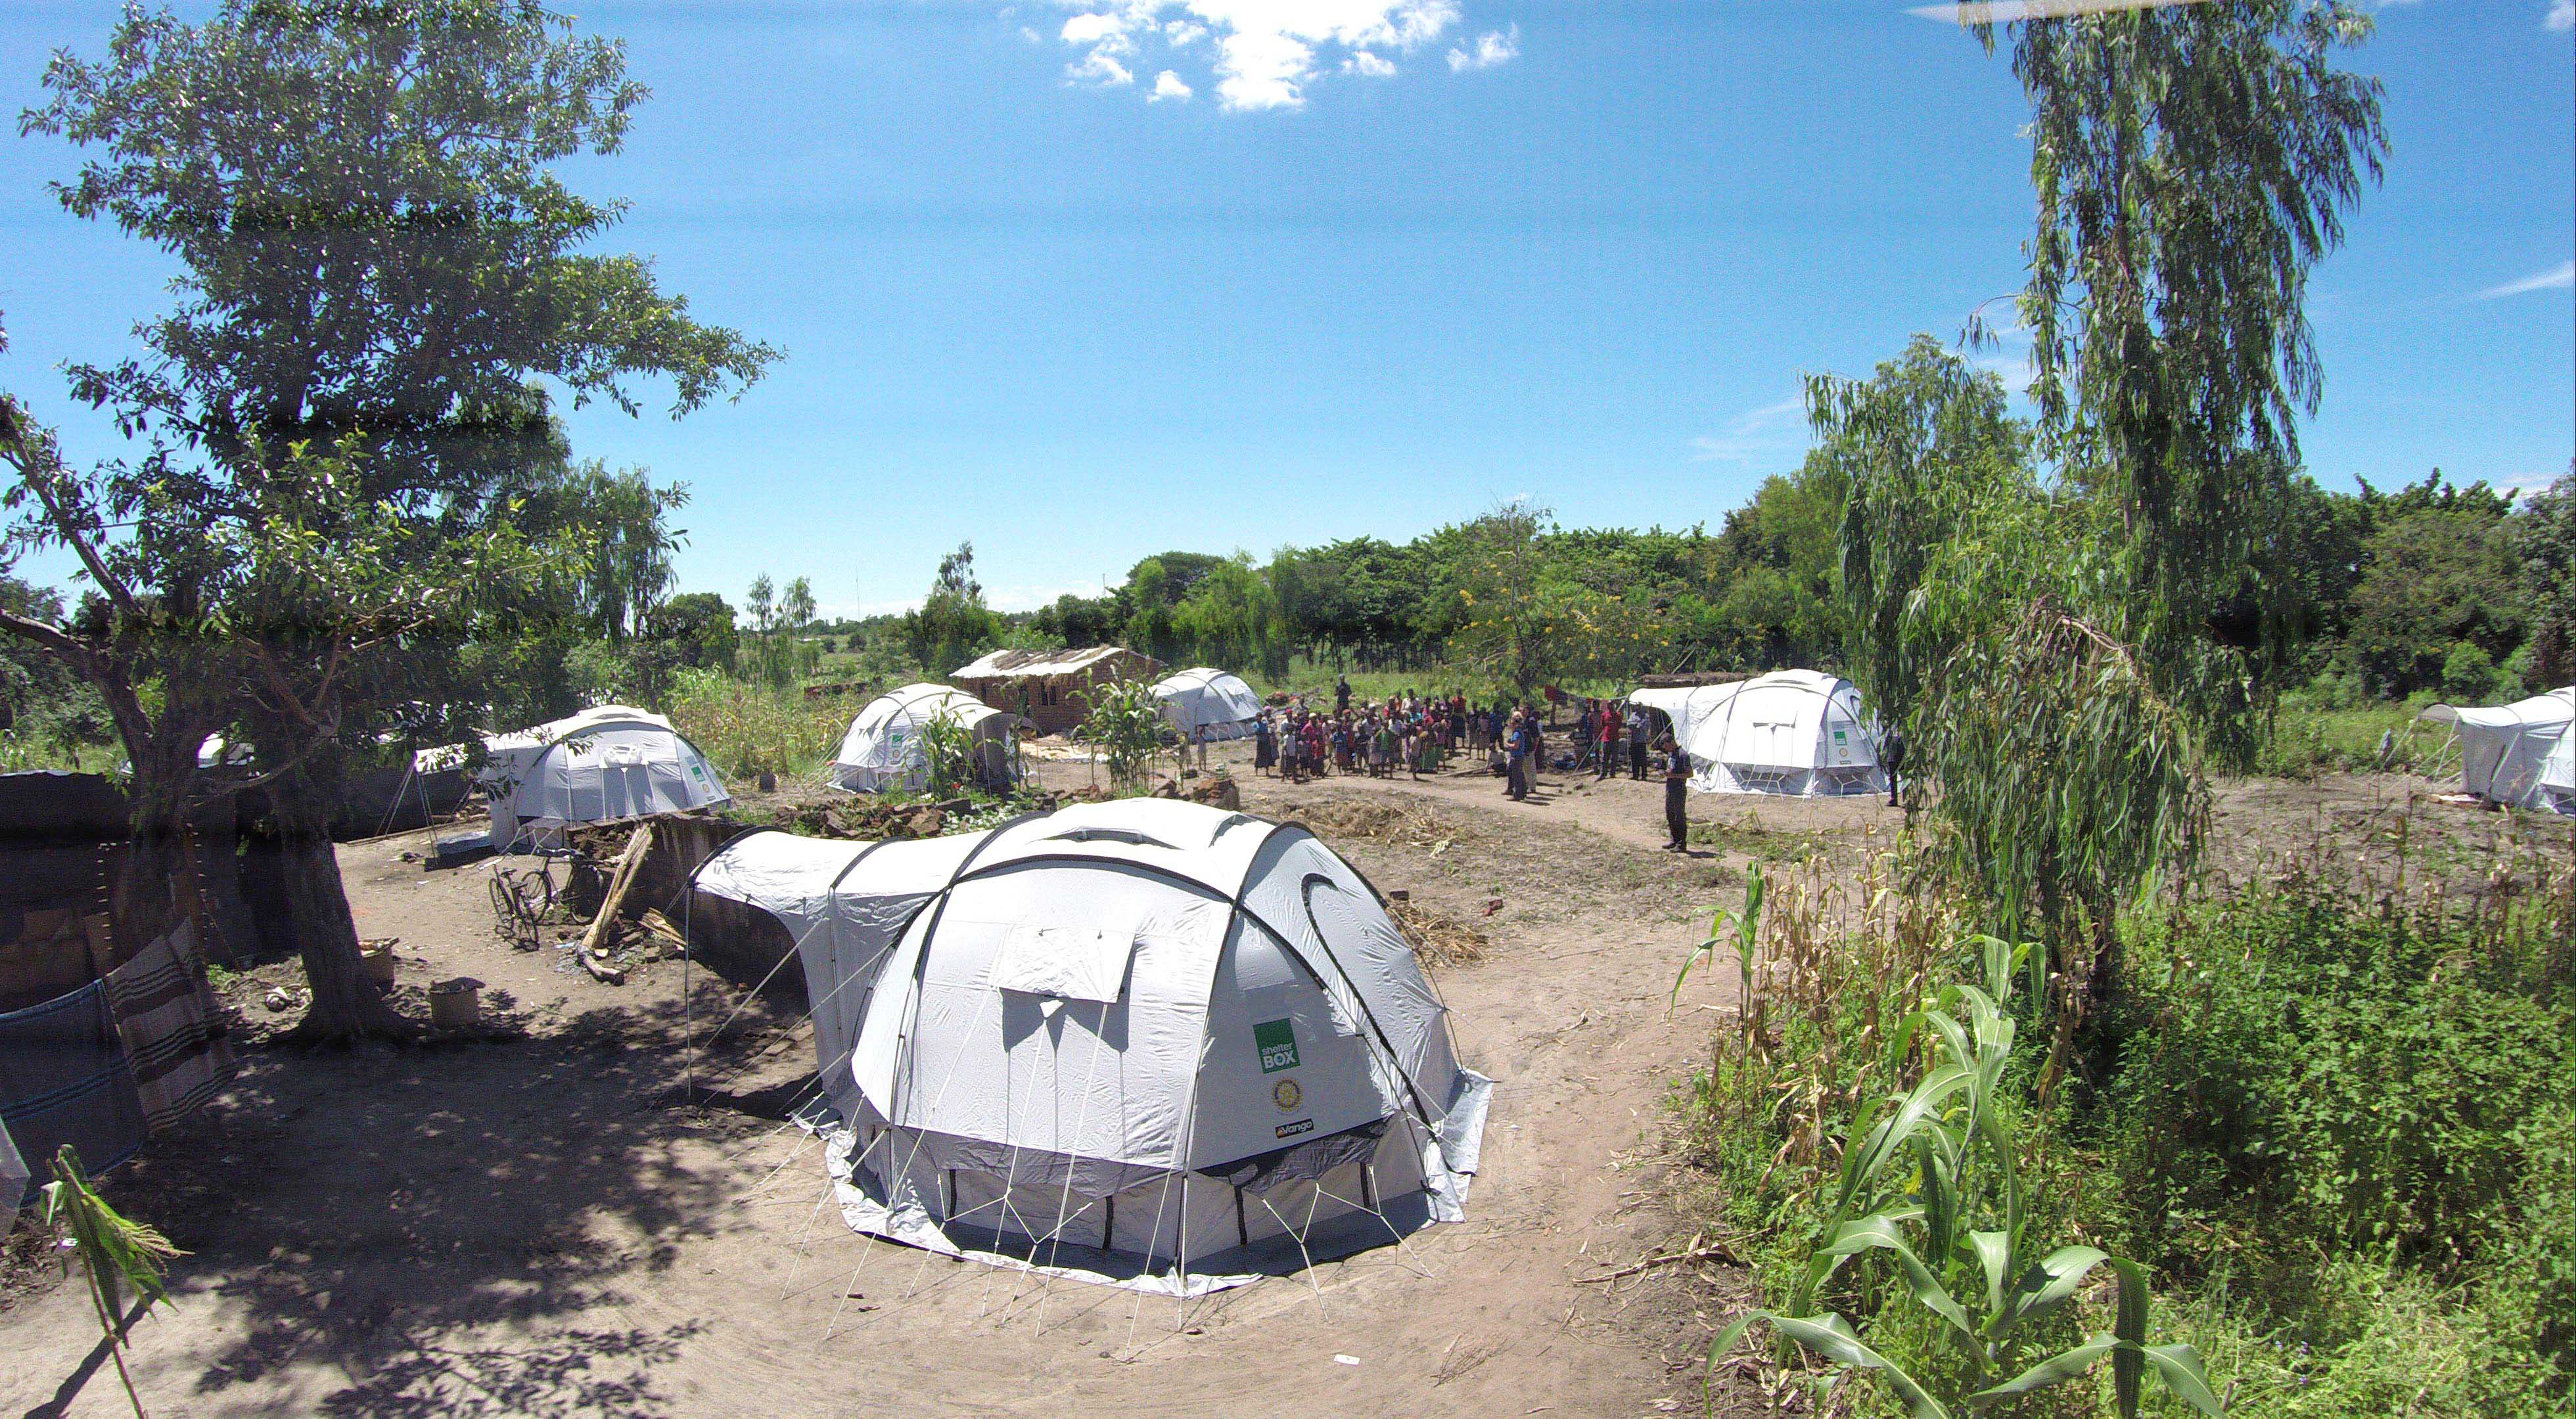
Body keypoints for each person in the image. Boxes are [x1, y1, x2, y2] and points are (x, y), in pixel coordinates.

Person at [1659, 729, 1691, 851]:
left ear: (1671, 742)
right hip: (1670, 788)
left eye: (1666, 745)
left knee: (1679, 816)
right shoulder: (1671, 754)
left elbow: (1690, 774)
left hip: (1679, 789)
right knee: (1670, 815)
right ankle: (1674, 839)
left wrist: (1675, 776)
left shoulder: (1683, 755)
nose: (1666, 749)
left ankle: (1682, 843)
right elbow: (1670, 768)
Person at [1881, 722, 1907, 809]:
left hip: (1902, 754)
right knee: (1892, 778)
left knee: (1905, 778)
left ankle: (1906, 799)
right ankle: (1894, 799)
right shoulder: (1890, 727)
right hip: (1892, 755)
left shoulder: (1904, 725)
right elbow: (1885, 742)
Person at [1596, 700, 1619, 780]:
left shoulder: (1618, 715)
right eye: (1609, 705)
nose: (1610, 706)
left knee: (1614, 757)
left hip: (1615, 739)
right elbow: (1602, 725)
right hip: (1606, 739)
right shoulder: (1604, 715)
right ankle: (1603, 773)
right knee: (1605, 757)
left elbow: (1619, 725)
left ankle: (1613, 773)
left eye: (1612, 705)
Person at [1627, 703, 1651, 780]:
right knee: (1634, 759)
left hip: (1642, 740)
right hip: (1634, 740)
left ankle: (1644, 776)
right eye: (1636, 706)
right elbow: (1629, 724)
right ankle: (1635, 775)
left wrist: (1638, 725)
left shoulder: (1645, 716)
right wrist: (1637, 724)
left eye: (1638, 706)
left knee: (1643, 759)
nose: (1636, 708)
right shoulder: (1633, 715)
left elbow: (1646, 726)